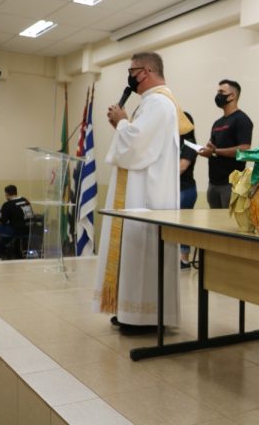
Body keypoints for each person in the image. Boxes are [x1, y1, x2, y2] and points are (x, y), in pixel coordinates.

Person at [92, 51, 192, 336]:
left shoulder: (158, 103)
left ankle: (144, 317)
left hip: (147, 196)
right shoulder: (153, 103)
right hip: (142, 188)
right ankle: (130, 311)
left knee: (143, 252)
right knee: (135, 254)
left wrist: (122, 122)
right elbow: (139, 140)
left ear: (145, 71)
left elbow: (137, 146)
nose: (130, 77)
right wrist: (122, 124)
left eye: (132, 71)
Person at [198, 79, 253, 209]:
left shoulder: (242, 120)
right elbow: (211, 147)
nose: (218, 95)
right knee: (214, 223)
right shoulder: (217, 123)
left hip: (231, 184)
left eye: (221, 92)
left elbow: (244, 150)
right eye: (218, 92)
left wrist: (216, 152)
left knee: (227, 224)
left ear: (232, 96)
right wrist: (204, 151)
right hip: (213, 184)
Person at [0, 185, 33, 260]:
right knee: (7, 229)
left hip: (17, 230)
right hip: (29, 229)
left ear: (6, 194)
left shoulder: (8, 204)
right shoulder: (25, 200)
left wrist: (2, 215)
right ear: (16, 192)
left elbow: (3, 221)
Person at [179, 111, 197, 269]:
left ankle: (184, 259)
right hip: (174, 190)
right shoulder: (174, 142)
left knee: (183, 225)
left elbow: (182, 167)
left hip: (185, 190)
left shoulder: (190, 143)